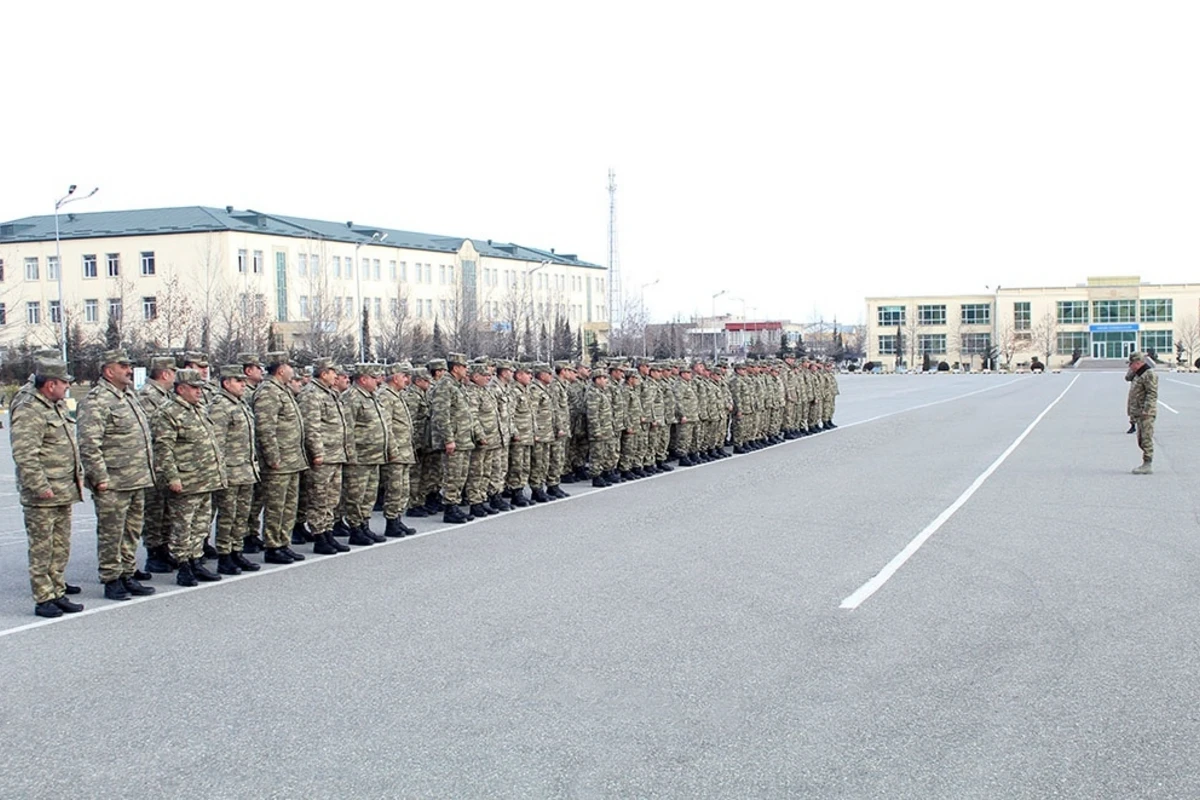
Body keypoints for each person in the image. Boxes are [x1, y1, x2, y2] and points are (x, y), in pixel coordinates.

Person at [77, 349, 157, 601]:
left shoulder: (129, 396)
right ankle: (112, 579)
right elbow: (89, 443)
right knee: (112, 532)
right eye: (123, 366)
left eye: (129, 366)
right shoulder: (96, 400)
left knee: (132, 531)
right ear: (109, 370)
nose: (129, 370)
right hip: (112, 481)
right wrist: (100, 477)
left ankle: (127, 573)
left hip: (136, 478)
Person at [10, 358, 85, 617]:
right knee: (43, 547)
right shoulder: (30, 408)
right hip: (43, 493)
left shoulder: (55, 405)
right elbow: (25, 453)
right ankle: (44, 598)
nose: (67, 387)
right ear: (50, 384)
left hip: (63, 489)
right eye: (64, 383)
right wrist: (39, 485)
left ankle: (57, 591)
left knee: (60, 546)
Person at [152, 369, 227, 586]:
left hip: (205, 478)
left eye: (200, 387)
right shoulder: (168, 413)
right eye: (194, 388)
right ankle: (183, 565)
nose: (199, 392)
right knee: (183, 526)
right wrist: (172, 477)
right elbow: (163, 449)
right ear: (181, 388)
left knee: (201, 524)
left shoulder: (198, 409)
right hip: (186, 479)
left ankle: (195, 560)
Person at [253, 352, 309, 563]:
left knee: (288, 505)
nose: (293, 372)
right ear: (280, 369)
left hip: (292, 459)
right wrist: (272, 457)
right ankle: (272, 545)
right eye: (289, 367)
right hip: (279, 461)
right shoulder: (268, 392)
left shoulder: (282, 391)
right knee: (276, 506)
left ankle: (283, 543)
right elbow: (265, 429)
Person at [209, 364, 264, 573]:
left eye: (243, 381)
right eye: (238, 381)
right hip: (231, 471)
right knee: (228, 515)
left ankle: (236, 551)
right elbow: (217, 444)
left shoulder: (240, 404)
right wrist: (220, 471)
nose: (243, 385)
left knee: (242, 515)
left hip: (246, 469)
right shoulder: (220, 406)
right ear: (226, 383)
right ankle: (225, 554)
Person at [342, 363, 394, 543]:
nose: (378, 381)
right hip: (360, 456)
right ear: (363, 379)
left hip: (374, 455)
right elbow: (347, 429)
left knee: (369, 494)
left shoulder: (372, 397)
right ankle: (355, 528)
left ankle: (364, 524)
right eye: (374, 377)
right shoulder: (351, 397)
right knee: (356, 494)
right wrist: (350, 455)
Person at [430, 352, 479, 523]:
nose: (467, 370)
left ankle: (455, 505)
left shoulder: (458, 385)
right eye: (464, 367)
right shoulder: (445, 385)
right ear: (456, 368)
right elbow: (441, 415)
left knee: (460, 475)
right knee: (452, 475)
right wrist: (448, 439)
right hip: (455, 439)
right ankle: (450, 508)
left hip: (464, 438)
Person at [378, 363, 418, 537]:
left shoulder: (397, 395)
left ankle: (398, 519)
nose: (407, 380)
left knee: (403, 488)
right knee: (394, 488)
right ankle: (391, 521)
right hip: (395, 451)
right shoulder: (385, 396)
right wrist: (392, 449)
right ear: (395, 378)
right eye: (404, 376)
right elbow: (386, 426)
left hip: (404, 450)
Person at [1128, 351, 1158, 474]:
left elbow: (1152, 393)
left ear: (1139, 363)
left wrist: (1147, 409)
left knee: (1146, 438)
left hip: (1146, 412)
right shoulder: (1138, 373)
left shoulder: (1149, 374)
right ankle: (1146, 462)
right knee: (1141, 439)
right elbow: (1127, 378)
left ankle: (1147, 464)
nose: (1130, 366)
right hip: (1139, 411)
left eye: (1132, 364)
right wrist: (1132, 370)